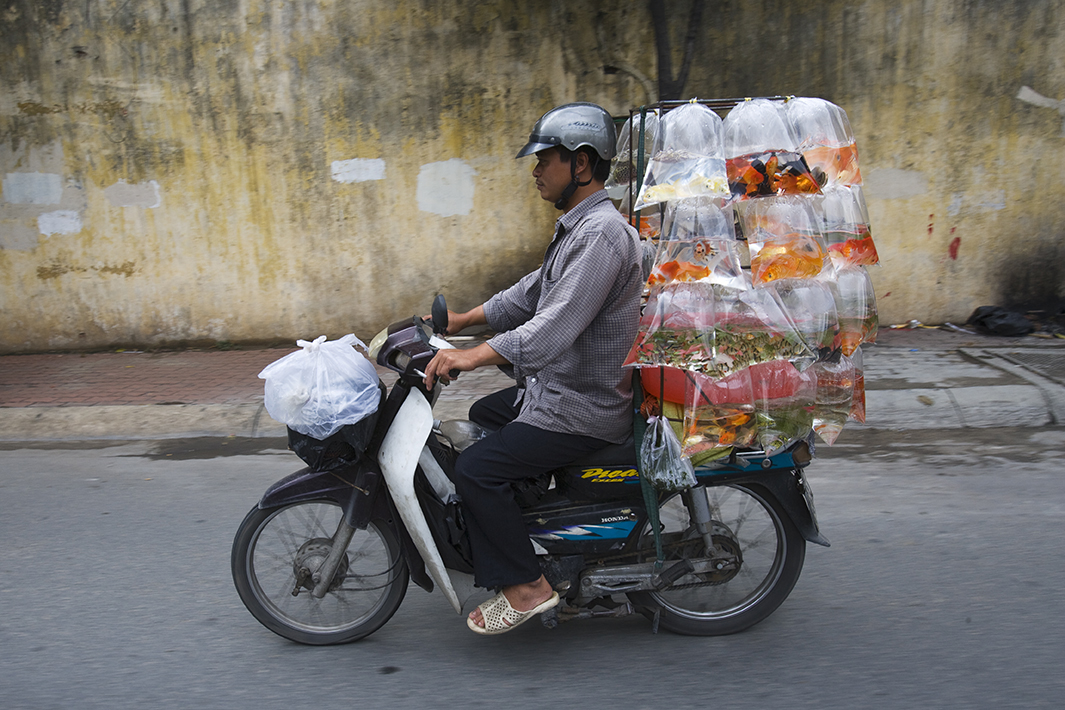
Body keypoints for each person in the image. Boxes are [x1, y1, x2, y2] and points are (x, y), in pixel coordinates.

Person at [422, 102, 645, 635]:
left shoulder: (601, 238)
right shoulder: (579, 229)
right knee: (482, 413)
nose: (536, 170)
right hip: (558, 390)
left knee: (478, 470)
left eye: (546, 159)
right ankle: (543, 525)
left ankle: (527, 587)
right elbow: (530, 294)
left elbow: (552, 328)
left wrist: (471, 355)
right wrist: (461, 319)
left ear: (583, 164)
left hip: (583, 406)